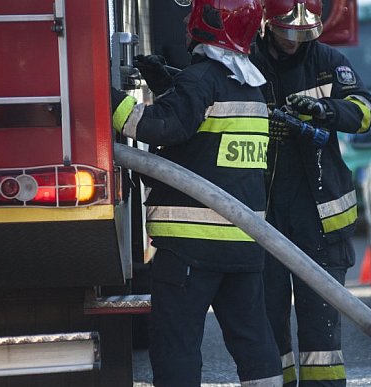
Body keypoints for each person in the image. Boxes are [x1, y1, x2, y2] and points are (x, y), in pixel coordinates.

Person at [109, 0, 282, 385]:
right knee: (254, 342)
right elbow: (204, 132)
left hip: (191, 248)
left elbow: (157, 125)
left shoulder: (201, 80)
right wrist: (168, 85)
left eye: (195, 13)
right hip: (243, 245)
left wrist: (103, 96)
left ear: (210, 21)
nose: (187, 19)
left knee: (177, 345)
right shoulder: (252, 88)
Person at [249, 1, 371, 385]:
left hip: (320, 219)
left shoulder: (328, 62)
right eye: (288, 32)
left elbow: (364, 113)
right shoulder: (247, 63)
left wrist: (324, 110)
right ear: (269, 24)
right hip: (264, 216)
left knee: (321, 328)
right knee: (268, 322)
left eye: (302, 33)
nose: (294, 41)